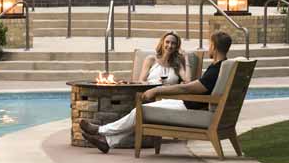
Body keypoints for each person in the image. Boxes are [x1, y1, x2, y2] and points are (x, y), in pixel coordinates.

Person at [79, 31, 232, 154]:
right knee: (140, 111)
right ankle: (107, 142)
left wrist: (158, 89)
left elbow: (187, 87)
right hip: (190, 104)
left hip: (190, 107)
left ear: (214, 47)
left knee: (141, 111)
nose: (208, 47)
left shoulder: (215, 69)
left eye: (210, 44)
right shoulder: (223, 66)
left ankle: (100, 130)